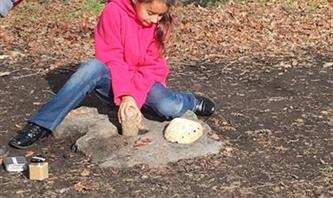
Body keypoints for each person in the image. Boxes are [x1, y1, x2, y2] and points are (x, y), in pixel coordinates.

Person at [8, 0, 215, 149]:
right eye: (151, 12)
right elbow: (111, 58)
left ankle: (189, 101)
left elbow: (152, 67)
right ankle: (40, 125)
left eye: (159, 15)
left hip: (144, 80)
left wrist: (134, 96)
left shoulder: (160, 23)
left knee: (168, 106)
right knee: (91, 68)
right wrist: (126, 95)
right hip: (115, 78)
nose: (154, 20)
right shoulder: (114, 11)